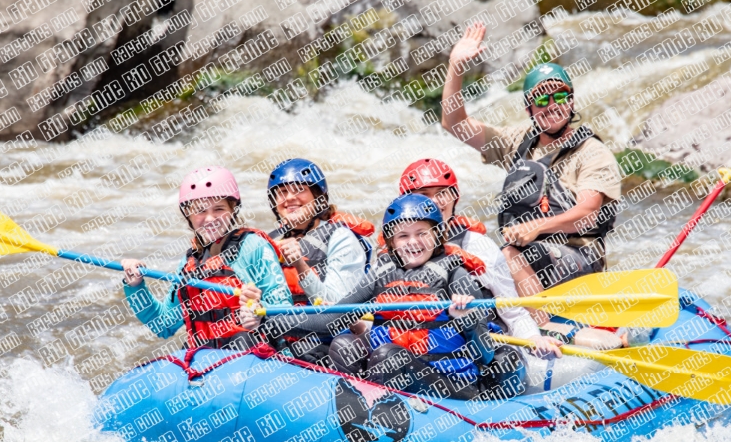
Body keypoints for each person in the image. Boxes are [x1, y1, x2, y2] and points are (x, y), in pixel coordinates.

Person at [440, 22, 623, 303]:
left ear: (571, 102)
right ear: (529, 108)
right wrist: (456, 66)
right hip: (528, 259)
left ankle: (544, 329)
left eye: (560, 96)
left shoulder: (592, 152)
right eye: (541, 99)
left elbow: (587, 214)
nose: (552, 105)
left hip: (580, 261)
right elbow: (454, 124)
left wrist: (536, 227)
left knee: (510, 255)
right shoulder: (517, 142)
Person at [279, 194, 528, 400]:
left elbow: (484, 353)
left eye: (422, 233)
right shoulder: (381, 274)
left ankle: (378, 413)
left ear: (438, 235)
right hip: (391, 377)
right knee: (345, 346)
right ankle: (356, 408)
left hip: (448, 384)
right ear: (391, 241)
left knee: (389, 355)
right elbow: (330, 321)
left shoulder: (455, 274)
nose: (413, 242)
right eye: (403, 235)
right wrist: (273, 323)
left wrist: (466, 320)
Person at [398, 158, 565, 357]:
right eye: (424, 195)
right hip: (408, 346)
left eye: (442, 194)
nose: (435, 202)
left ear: (454, 198)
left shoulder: (478, 246)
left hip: (468, 351)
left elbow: (512, 312)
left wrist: (533, 339)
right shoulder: (394, 248)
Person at [120, 166, 292, 352]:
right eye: (200, 211)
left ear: (233, 210)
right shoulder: (191, 263)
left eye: (219, 209)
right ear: (189, 215)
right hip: (207, 359)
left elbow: (285, 312)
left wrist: (260, 314)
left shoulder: (253, 247)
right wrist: (135, 286)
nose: (210, 219)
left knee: (242, 339)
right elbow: (163, 325)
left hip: (255, 355)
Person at [266, 158, 373, 362]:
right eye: (282, 192)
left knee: (306, 348)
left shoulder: (341, 238)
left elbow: (335, 314)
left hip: (328, 344)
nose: (290, 198)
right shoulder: (269, 243)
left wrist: (300, 265)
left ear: (318, 197)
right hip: (283, 340)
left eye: (299, 189)